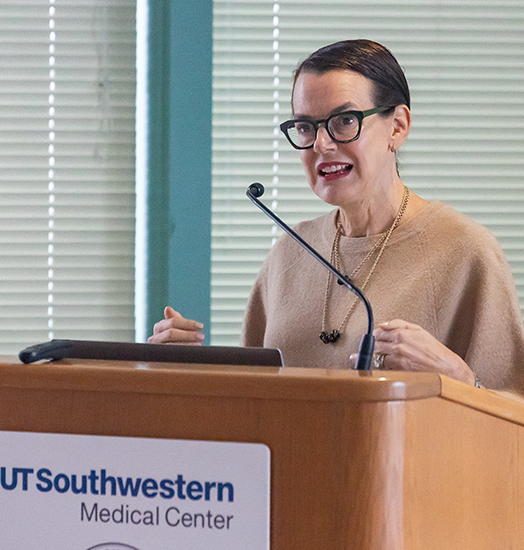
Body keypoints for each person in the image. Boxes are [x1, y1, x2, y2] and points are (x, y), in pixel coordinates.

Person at [149, 39, 524, 394]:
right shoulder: (290, 252)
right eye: (305, 126)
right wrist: (184, 371)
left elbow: (512, 416)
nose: (321, 144)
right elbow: (254, 405)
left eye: (344, 120)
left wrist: (457, 379)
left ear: (398, 126)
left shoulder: (466, 250)